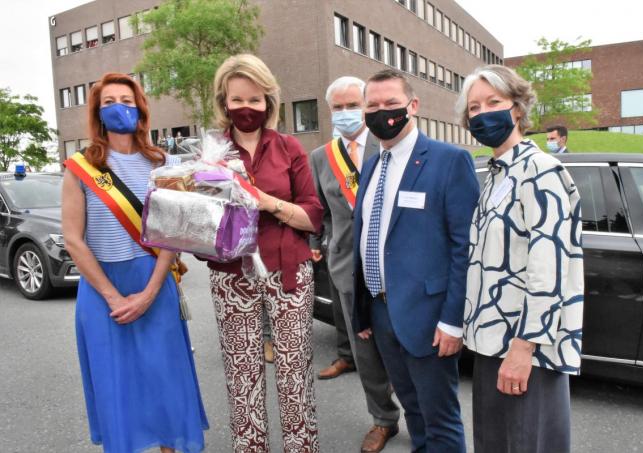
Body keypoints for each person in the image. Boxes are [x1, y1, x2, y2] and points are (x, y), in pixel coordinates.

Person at [62, 72, 208, 453]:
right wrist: (112, 297)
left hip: (153, 280)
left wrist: (149, 293)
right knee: (116, 383)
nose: (118, 108)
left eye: (126, 101)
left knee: (165, 379)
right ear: (97, 112)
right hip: (100, 288)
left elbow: (172, 235)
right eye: (108, 102)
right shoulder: (80, 168)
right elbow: (74, 240)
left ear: (140, 109)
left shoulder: (162, 163)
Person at [456, 65, 584, 453]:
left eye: (493, 102)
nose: (482, 113)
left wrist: (524, 347)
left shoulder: (541, 171)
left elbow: (551, 268)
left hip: (525, 347)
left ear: (517, 108)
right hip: (492, 342)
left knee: (529, 443)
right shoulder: (497, 174)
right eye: (474, 107)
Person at [352, 69, 479, 452]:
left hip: (429, 315)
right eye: (372, 105)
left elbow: (465, 247)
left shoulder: (449, 160)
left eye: (391, 103)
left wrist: (453, 320)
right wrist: (364, 311)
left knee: (440, 418)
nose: (381, 112)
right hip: (382, 312)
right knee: (413, 410)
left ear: (413, 106)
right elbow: (368, 236)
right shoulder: (373, 164)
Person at [209, 53, 324, 452]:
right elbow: (199, 218)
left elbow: (313, 216)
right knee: (243, 378)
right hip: (231, 275)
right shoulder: (211, 154)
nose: (246, 108)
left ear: (268, 102)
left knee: (294, 374)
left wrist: (267, 202)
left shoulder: (290, 148)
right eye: (237, 100)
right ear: (223, 101)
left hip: (288, 271)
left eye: (255, 100)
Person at [310, 76, 401, 452]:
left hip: (394, 265)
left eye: (353, 105)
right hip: (346, 266)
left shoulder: (389, 146)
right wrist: (318, 244)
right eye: (339, 108)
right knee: (364, 351)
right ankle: (383, 419)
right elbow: (319, 210)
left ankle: (424, 415)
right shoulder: (320, 157)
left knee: (403, 344)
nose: (346, 113)